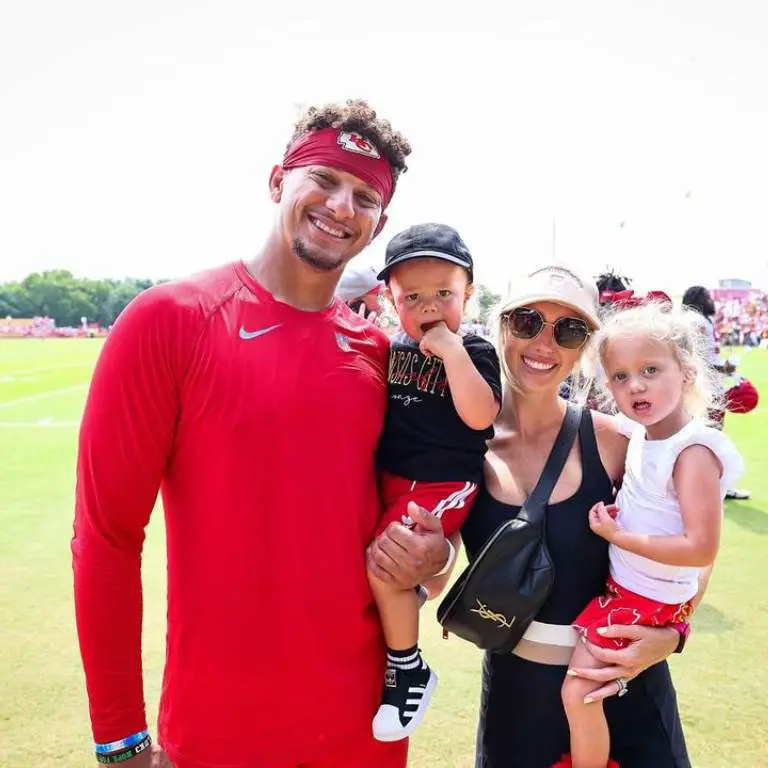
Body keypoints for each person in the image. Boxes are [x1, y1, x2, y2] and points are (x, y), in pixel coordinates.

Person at [72, 99, 452, 768]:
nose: (341, 205)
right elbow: (105, 537)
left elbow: (413, 521)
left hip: (365, 729)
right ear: (279, 180)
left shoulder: (380, 354)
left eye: (364, 196)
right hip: (222, 729)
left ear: (379, 222)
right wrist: (120, 739)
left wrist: (433, 558)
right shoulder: (171, 320)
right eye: (324, 179)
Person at [459, 265, 697, 768]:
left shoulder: (617, 442)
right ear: (501, 325)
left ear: (585, 347)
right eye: (528, 321)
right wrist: (422, 561)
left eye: (569, 330)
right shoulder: (462, 445)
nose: (545, 343)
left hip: (622, 690)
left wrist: (672, 635)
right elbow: (441, 567)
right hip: (516, 706)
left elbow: (696, 548)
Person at [561, 301, 744, 768]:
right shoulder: (646, 433)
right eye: (619, 377)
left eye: (650, 369)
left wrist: (619, 537)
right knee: (585, 685)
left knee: (579, 689)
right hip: (635, 590)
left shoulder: (692, 452)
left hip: (649, 599)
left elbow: (701, 547)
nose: (635, 385)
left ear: (685, 372)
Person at [367, 223, 502, 742]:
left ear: (468, 293)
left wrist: (452, 353)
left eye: (443, 294)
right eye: (413, 297)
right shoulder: (394, 344)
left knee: (386, 565)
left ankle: (408, 669)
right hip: (394, 477)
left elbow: (480, 415)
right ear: (391, 299)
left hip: (442, 482)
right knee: (380, 567)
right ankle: (413, 602)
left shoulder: (474, 349)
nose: (428, 308)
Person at [682, 285, 749, 500]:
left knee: (701, 436)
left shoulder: (692, 319)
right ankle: (718, 487)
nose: (711, 300)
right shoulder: (698, 322)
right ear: (698, 298)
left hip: (700, 388)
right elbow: (701, 360)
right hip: (708, 390)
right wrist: (726, 368)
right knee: (713, 438)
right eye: (707, 296)